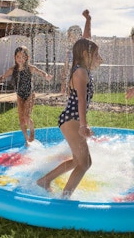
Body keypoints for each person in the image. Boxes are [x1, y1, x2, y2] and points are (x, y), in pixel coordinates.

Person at [37, 38, 103, 199]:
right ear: (86, 54)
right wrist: (83, 125)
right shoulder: (80, 72)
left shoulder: (83, 70)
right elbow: (81, 99)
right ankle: (65, 198)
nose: (99, 57)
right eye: (96, 54)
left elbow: (86, 37)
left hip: (72, 119)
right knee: (85, 163)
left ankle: (45, 181)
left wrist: (88, 20)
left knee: (77, 161)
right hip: (71, 119)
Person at [0, 46, 53, 145]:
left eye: (23, 56)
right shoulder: (13, 69)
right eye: (18, 56)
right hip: (19, 95)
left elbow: (40, 72)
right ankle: (26, 139)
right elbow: (2, 77)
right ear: (14, 57)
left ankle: (32, 134)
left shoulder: (30, 68)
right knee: (21, 119)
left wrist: (46, 76)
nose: (20, 59)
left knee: (26, 116)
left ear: (27, 57)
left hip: (29, 95)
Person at [61, 9, 91, 94]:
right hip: (72, 80)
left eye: (72, 36)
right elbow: (65, 67)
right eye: (69, 36)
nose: (70, 38)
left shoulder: (82, 47)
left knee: (79, 102)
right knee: (71, 101)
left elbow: (87, 36)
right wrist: (63, 82)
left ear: (79, 36)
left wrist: (88, 20)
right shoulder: (69, 51)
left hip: (82, 79)